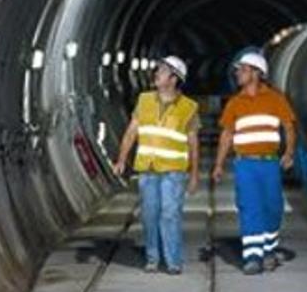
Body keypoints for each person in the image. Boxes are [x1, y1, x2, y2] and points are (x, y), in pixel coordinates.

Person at [211, 50, 297, 275]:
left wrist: (288, 153)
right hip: (245, 164)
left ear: (257, 73)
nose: (238, 73)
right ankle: (252, 256)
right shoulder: (235, 103)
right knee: (250, 208)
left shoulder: (275, 100)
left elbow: (288, 126)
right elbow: (227, 134)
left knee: (273, 207)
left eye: (243, 69)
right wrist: (219, 164)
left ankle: (269, 250)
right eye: (238, 70)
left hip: (269, 164)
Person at [113, 55, 200, 274]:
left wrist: (194, 174)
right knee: (150, 215)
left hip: (173, 171)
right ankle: (153, 257)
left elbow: (193, 142)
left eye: (161, 71)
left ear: (173, 79)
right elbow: (132, 131)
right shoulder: (144, 100)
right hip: (148, 170)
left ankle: (173, 262)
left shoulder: (189, 107)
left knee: (170, 214)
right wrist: (122, 158)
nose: (156, 74)